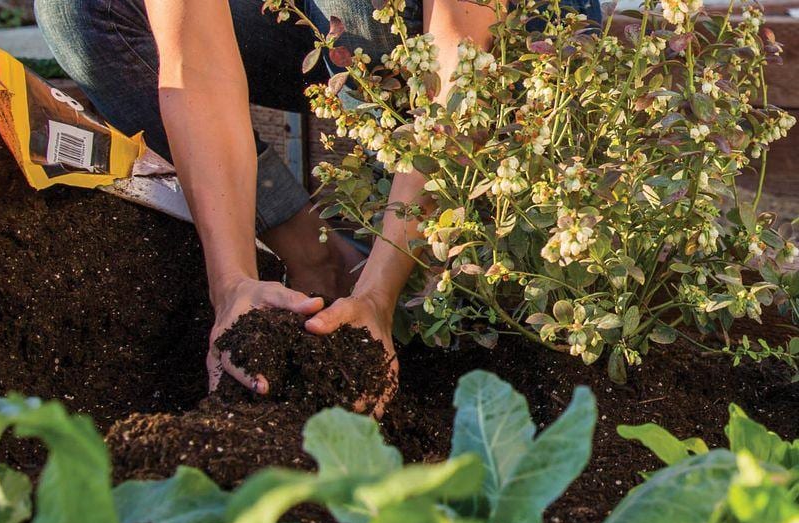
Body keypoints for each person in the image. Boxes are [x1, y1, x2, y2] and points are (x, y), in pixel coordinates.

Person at [34, 1, 598, 414]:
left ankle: (417, 264)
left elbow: (459, 59)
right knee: (80, 9)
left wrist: (379, 295)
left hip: (515, 26)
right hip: (322, 24)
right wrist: (230, 284)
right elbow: (195, 59)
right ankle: (319, 257)